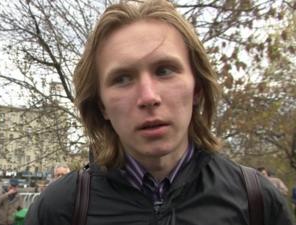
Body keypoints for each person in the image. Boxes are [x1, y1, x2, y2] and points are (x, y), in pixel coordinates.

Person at [24, 0, 294, 225]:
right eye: (122, 78)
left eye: (164, 70)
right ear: (101, 104)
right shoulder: (61, 208)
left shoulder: (256, 200)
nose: (148, 97)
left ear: (197, 88)